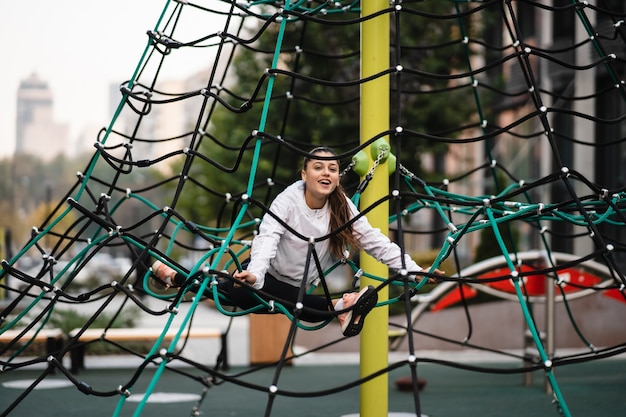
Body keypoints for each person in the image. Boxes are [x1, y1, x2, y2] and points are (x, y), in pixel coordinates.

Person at [152, 146, 441, 337]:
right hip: (263, 277)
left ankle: (173, 276)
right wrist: (256, 273)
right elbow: (267, 237)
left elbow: (375, 242)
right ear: (305, 174)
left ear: (338, 177)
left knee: (235, 291)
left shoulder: (342, 208)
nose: (325, 173)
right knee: (233, 291)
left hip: (296, 286)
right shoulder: (287, 201)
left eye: (332, 169)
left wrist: (413, 269)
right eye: (318, 167)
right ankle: (342, 306)